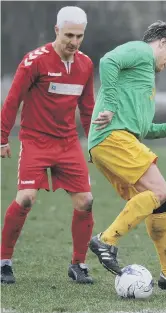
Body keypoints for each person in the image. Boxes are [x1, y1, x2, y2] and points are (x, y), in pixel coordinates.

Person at [87, 20, 166, 297]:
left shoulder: (145, 79)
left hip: (114, 142)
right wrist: (111, 105)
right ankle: (106, 241)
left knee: (157, 203)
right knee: (159, 190)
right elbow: (108, 61)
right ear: (162, 43)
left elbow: (144, 129)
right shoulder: (140, 51)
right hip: (113, 138)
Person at [0, 6, 108, 284]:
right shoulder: (34, 61)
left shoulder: (85, 64)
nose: (74, 41)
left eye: (79, 36)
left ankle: (78, 265)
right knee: (26, 198)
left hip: (68, 143)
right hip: (35, 140)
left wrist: (95, 142)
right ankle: (4, 260)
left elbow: (87, 108)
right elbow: (13, 100)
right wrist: (1, 138)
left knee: (86, 201)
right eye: (69, 35)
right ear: (56, 31)